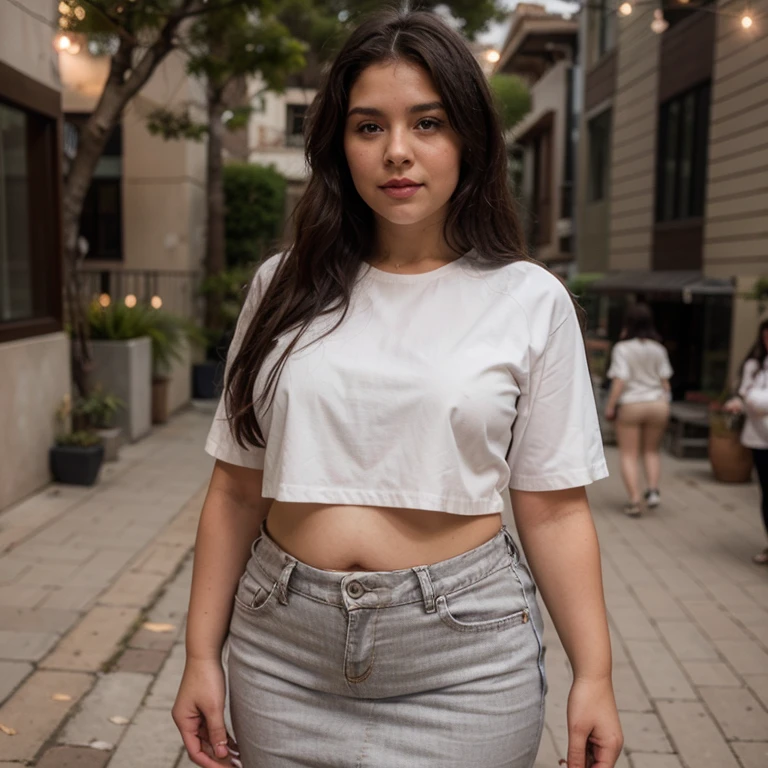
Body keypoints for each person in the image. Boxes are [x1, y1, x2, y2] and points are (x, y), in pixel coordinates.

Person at [172, 9, 623, 768]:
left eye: (427, 122)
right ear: (338, 144)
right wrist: (196, 653)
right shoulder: (280, 288)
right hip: (282, 653)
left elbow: (552, 507)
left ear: (469, 138)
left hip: (466, 662)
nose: (398, 152)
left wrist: (596, 674)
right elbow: (235, 490)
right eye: (369, 127)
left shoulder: (528, 299)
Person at [604, 304, 673, 516]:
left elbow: (620, 381)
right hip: (658, 404)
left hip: (632, 404)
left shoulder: (622, 348)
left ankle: (634, 500)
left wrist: (610, 406)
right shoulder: (658, 348)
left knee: (629, 454)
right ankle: (652, 491)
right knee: (652, 451)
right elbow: (665, 382)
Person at [724, 319, 768, 565]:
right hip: (759, 439)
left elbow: (756, 400)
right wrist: (746, 401)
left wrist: (753, 399)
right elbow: (745, 396)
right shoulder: (754, 364)